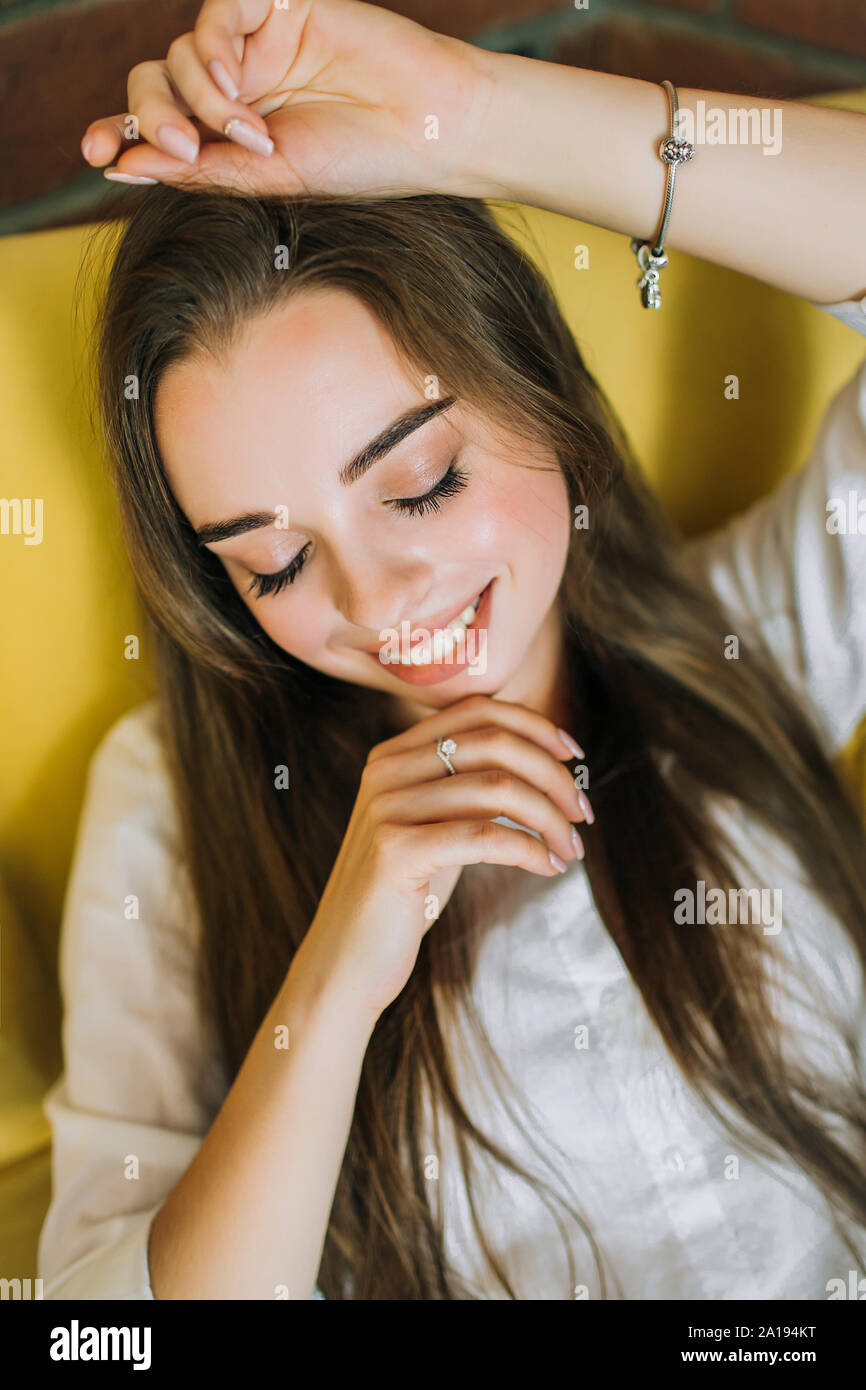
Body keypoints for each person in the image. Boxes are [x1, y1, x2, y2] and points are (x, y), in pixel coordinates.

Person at [39, 0, 866, 1299]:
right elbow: (106, 1328)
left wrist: (469, 118)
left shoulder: (737, 642)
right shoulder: (170, 801)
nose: (376, 601)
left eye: (418, 481)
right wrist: (341, 966)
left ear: (534, 385)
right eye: (274, 561)